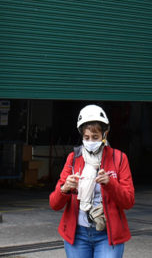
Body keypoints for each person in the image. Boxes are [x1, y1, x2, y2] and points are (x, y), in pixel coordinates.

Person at [49, 104, 135, 258]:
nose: (90, 141)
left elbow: (128, 201)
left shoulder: (119, 158)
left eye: (95, 137)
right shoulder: (73, 159)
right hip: (78, 235)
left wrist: (110, 184)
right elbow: (54, 204)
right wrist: (65, 189)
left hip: (107, 235)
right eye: (86, 137)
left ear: (104, 134)